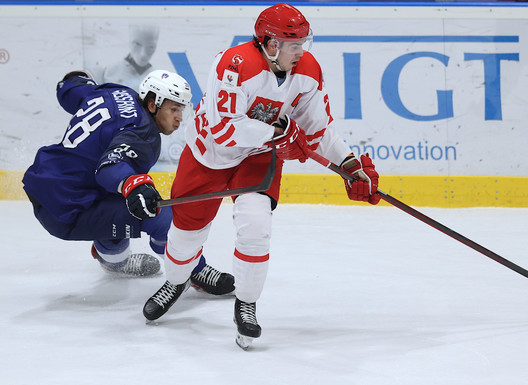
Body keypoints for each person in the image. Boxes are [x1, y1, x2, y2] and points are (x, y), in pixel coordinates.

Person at [142, 3, 380, 350]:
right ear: (271, 44)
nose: (301, 52)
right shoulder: (235, 64)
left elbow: (317, 131)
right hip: (208, 153)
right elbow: (224, 129)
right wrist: (278, 133)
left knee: (255, 226)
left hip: (256, 156)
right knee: (186, 233)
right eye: (293, 44)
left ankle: (247, 304)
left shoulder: (308, 71)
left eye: (303, 42)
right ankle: (176, 281)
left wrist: (349, 163)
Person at [22, 69, 235, 297]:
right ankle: (194, 271)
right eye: (174, 109)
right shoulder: (143, 134)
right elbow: (109, 167)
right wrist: (134, 185)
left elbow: (74, 91)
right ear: (152, 104)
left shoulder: (117, 92)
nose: (179, 118)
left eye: (181, 110)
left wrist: (73, 80)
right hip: (68, 209)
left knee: (125, 201)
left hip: (45, 181)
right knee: (161, 216)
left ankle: (110, 251)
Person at [103, 25, 160, 92]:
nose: (143, 54)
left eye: (151, 47)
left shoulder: (157, 79)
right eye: (137, 44)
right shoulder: (112, 72)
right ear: (129, 40)